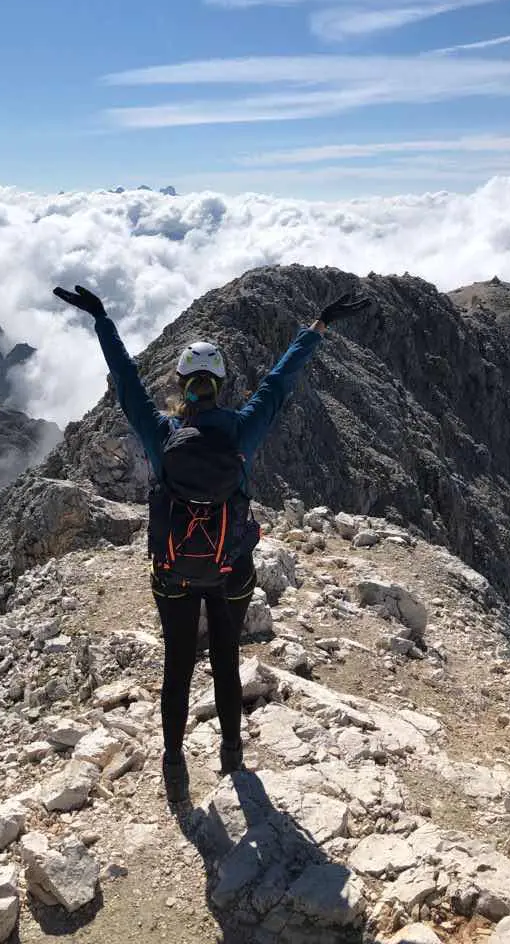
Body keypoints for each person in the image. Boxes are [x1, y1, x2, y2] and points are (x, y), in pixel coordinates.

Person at [53, 283, 371, 802]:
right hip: (231, 567)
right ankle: (231, 753)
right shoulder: (243, 430)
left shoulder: (161, 434)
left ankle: (175, 764)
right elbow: (280, 381)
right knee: (225, 656)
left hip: (173, 572)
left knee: (178, 664)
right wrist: (318, 326)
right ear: (221, 386)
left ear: (181, 384)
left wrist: (103, 320)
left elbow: (126, 383)